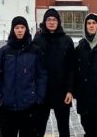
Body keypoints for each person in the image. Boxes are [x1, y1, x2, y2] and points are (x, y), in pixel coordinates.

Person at [0, 16, 47, 137]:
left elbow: (41, 76)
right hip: (7, 107)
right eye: (17, 27)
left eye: (22, 27)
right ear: (13, 30)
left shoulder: (35, 51)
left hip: (28, 106)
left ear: (26, 29)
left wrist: (38, 98)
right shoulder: (4, 52)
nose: (20, 30)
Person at [32, 8, 75, 137]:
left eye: (54, 20)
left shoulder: (66, 40)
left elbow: (71, 67)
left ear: (58, 22)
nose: (51, 22)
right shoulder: (37, 40)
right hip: (42, 92)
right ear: (44, 22)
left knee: (63, 128)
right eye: (49, 20)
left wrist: (70, 90)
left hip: (61, 91)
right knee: (38, 128)